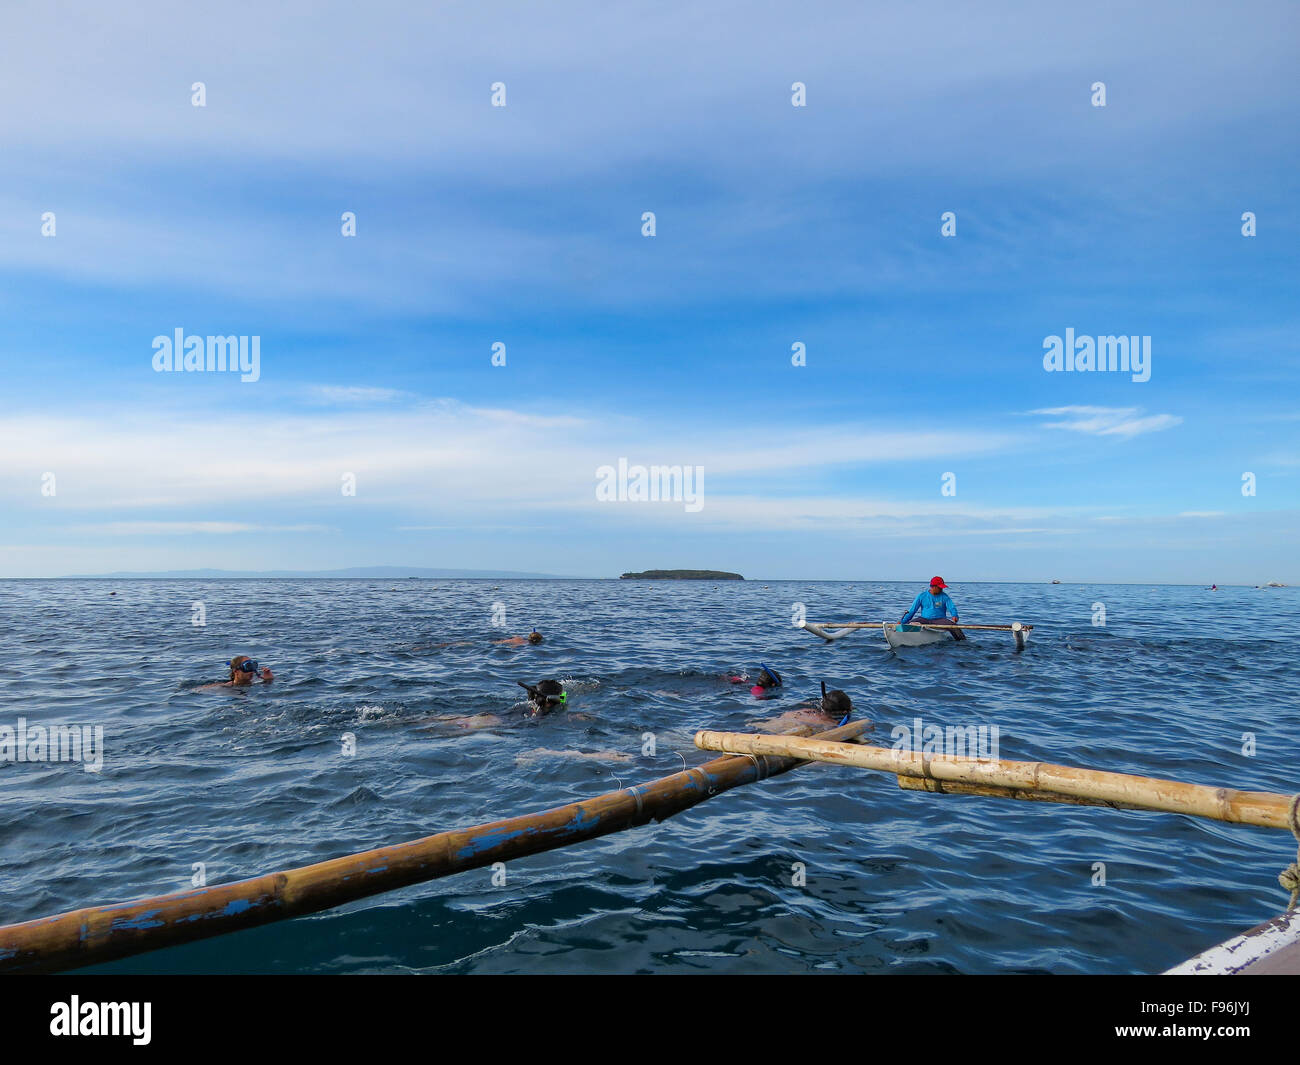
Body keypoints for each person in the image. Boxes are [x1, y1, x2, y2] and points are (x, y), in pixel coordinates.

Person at [197, 654, 274, 690]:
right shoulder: (226, 686)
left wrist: (269, 680)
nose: (252, 671)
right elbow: (198, 689)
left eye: (253, 666)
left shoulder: (257, 681)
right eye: (248, 667)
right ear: (236, 671)